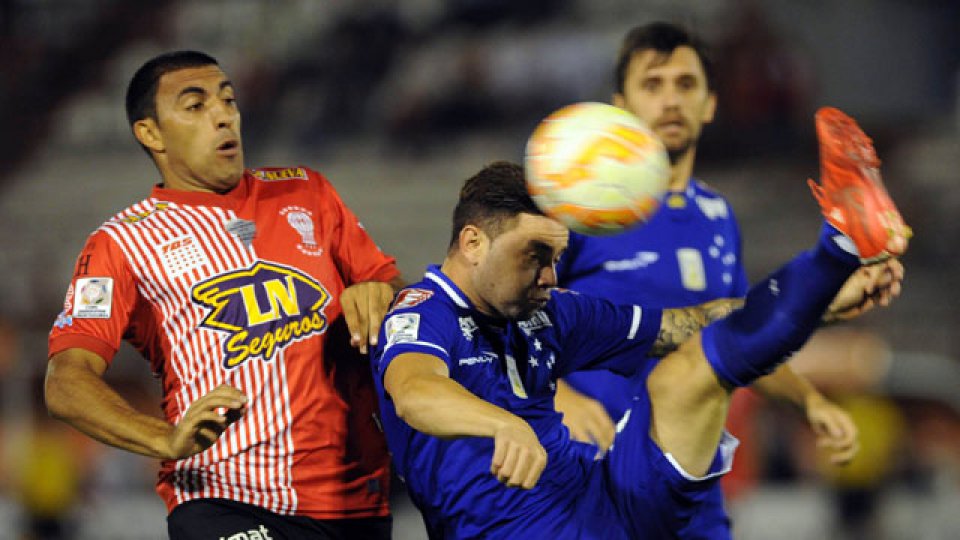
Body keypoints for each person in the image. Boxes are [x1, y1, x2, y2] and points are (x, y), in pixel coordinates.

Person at [370, 111, 908, 538]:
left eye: (558, 257)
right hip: (510, 529)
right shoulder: (423, 311)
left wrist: (826, 303)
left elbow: (691, 321)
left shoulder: (549, 314)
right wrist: (503, 424)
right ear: (472, 242)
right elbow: (415, 392)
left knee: (691, 364)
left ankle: (838, 244)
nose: (552, 276)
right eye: (536, 253)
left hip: (609, 496)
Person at [44, 50, 404, 540]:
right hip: (224, 499)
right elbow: (66, 382)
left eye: (228, 100)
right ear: (150, 133)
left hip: (355, 498)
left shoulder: (308, 194)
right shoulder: (120, 243)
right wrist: (164, 438)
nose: (222, 114)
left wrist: (381, 295)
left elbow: (399, 296)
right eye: (195, 106)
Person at [552, 22, 861, 522]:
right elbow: (512, 322)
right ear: (621, 106)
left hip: (690, 480)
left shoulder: (718, 216)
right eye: (652, 85)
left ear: (711, 104)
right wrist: (560, 397)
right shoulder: (583, 207)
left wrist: (810, 403)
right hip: (594, 468)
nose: (670, 100)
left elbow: (741, 334)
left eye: (686, 84)